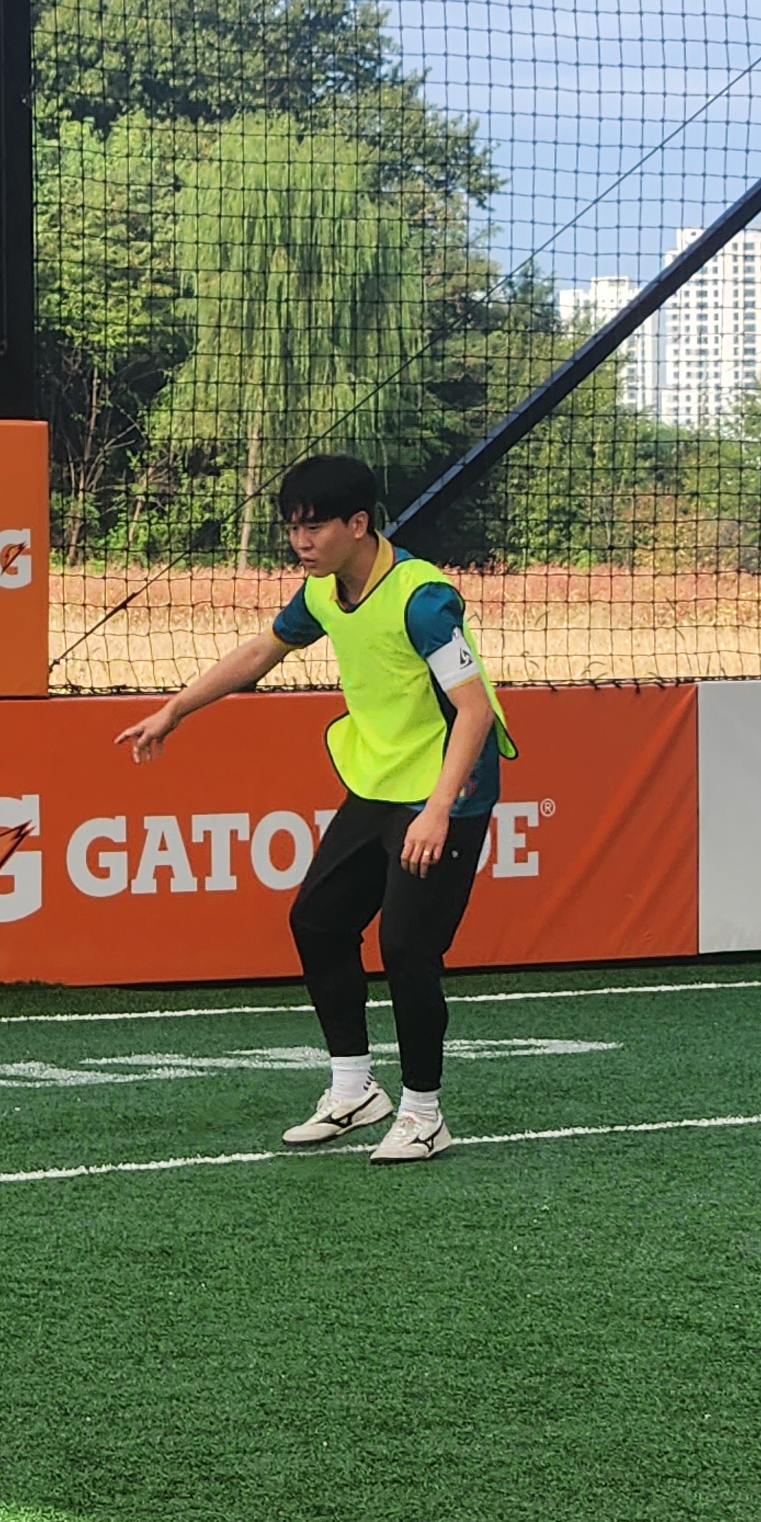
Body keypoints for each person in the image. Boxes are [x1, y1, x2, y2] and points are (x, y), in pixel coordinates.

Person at [117, 452, 513, 1165]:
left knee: (406, 948)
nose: (300, 542)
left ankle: (424, 1114)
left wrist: (437, 810)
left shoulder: (423, 598)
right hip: (380, 783)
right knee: (318, 920)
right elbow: (261, 652)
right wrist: (174, 711)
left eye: (314, 527)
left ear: (357, 524)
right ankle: (355, 1090)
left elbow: (475, 709)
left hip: (446, 793)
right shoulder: (324, 591)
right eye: (292, 528)